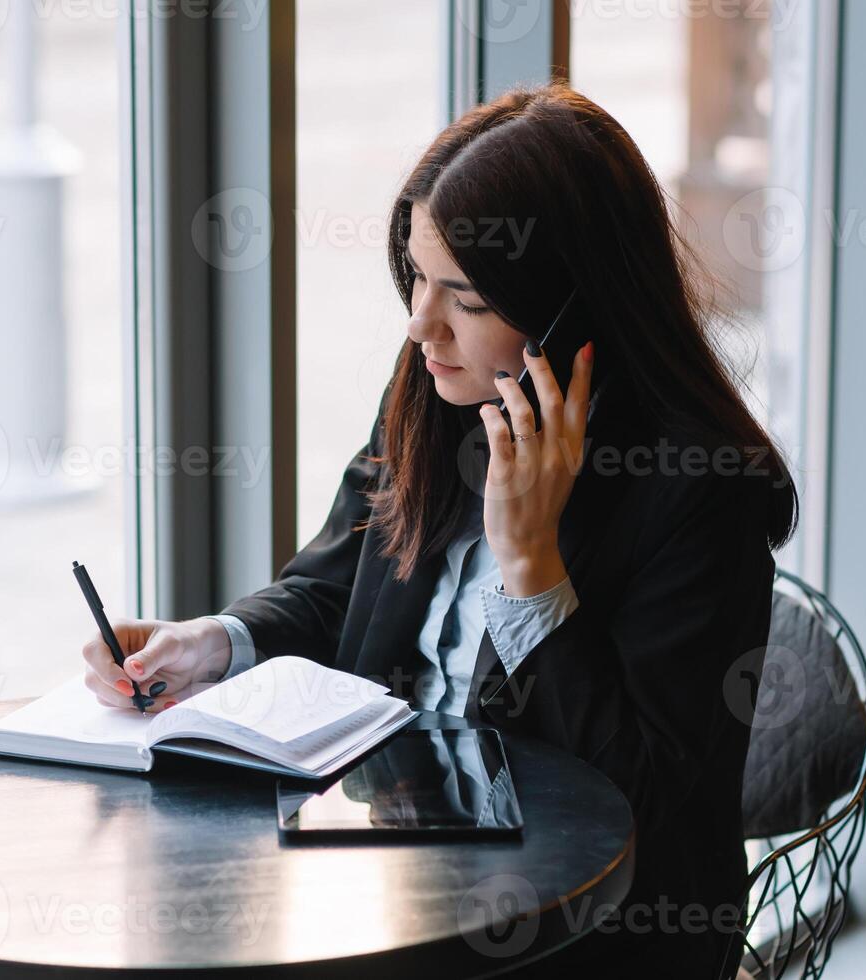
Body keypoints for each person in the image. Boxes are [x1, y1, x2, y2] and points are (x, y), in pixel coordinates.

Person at [81, 82, 796, 977]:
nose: (421, 324)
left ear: (574, 307)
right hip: (389, 868)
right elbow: (341, 579)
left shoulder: (696, 490)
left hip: (581, 932)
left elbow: (637, 799)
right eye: (417, 277)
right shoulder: (442, 385)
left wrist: (532, 568)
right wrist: (214, 643)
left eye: (466, 298)